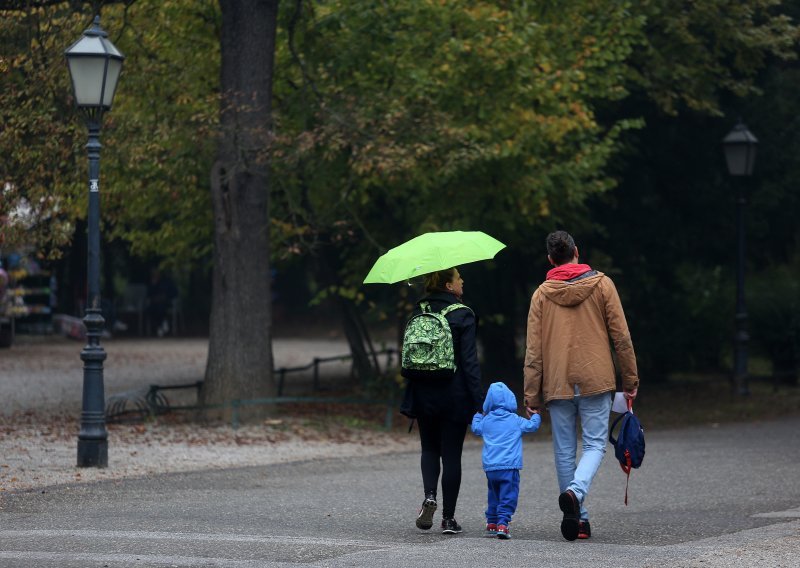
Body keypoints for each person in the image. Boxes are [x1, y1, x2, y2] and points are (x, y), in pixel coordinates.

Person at [523, 230, 639, 541]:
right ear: (577, 251)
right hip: (595, 377)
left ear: (551, 260)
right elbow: (621, 337)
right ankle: (576, 493)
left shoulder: (541, 295)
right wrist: (630, 380)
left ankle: (579, 520)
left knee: (563, 451)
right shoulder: (603, 285)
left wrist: (531, 392)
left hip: (558, 381)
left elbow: (533, 350)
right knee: (594, 445)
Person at [400, 267, 484, 535]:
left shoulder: (419, 310)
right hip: (454, 394)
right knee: (451, 455)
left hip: (423, 392)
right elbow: (470, 363)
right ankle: (448, 519)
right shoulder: (463, 314)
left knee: (428, 449)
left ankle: (429, 496)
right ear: (449, 286)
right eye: (459, 279)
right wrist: (478, 402)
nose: (463, 282)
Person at [471, 381, 541, 540]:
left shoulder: (486, 420)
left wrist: (477, 414)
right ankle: (503, 523)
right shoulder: (515, 420)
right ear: (511, 399)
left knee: (493, 494)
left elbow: (475, 428)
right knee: (508, 495)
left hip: (490, 468)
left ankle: (492, 522)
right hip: (509, 467)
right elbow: (532, 426)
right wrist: (535, 415)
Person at [147, 268, 177, 337]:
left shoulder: (167, 281)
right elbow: (149, 295)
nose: (155, 275)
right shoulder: (152, 282)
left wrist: (165, 297)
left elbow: (173, 293)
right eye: (153, 274)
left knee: (160, 308)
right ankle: (162, 324)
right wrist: (153, 285)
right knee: (150, 310)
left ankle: (160, 325)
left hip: (166, 303)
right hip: (154, 303)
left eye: (156, 273)